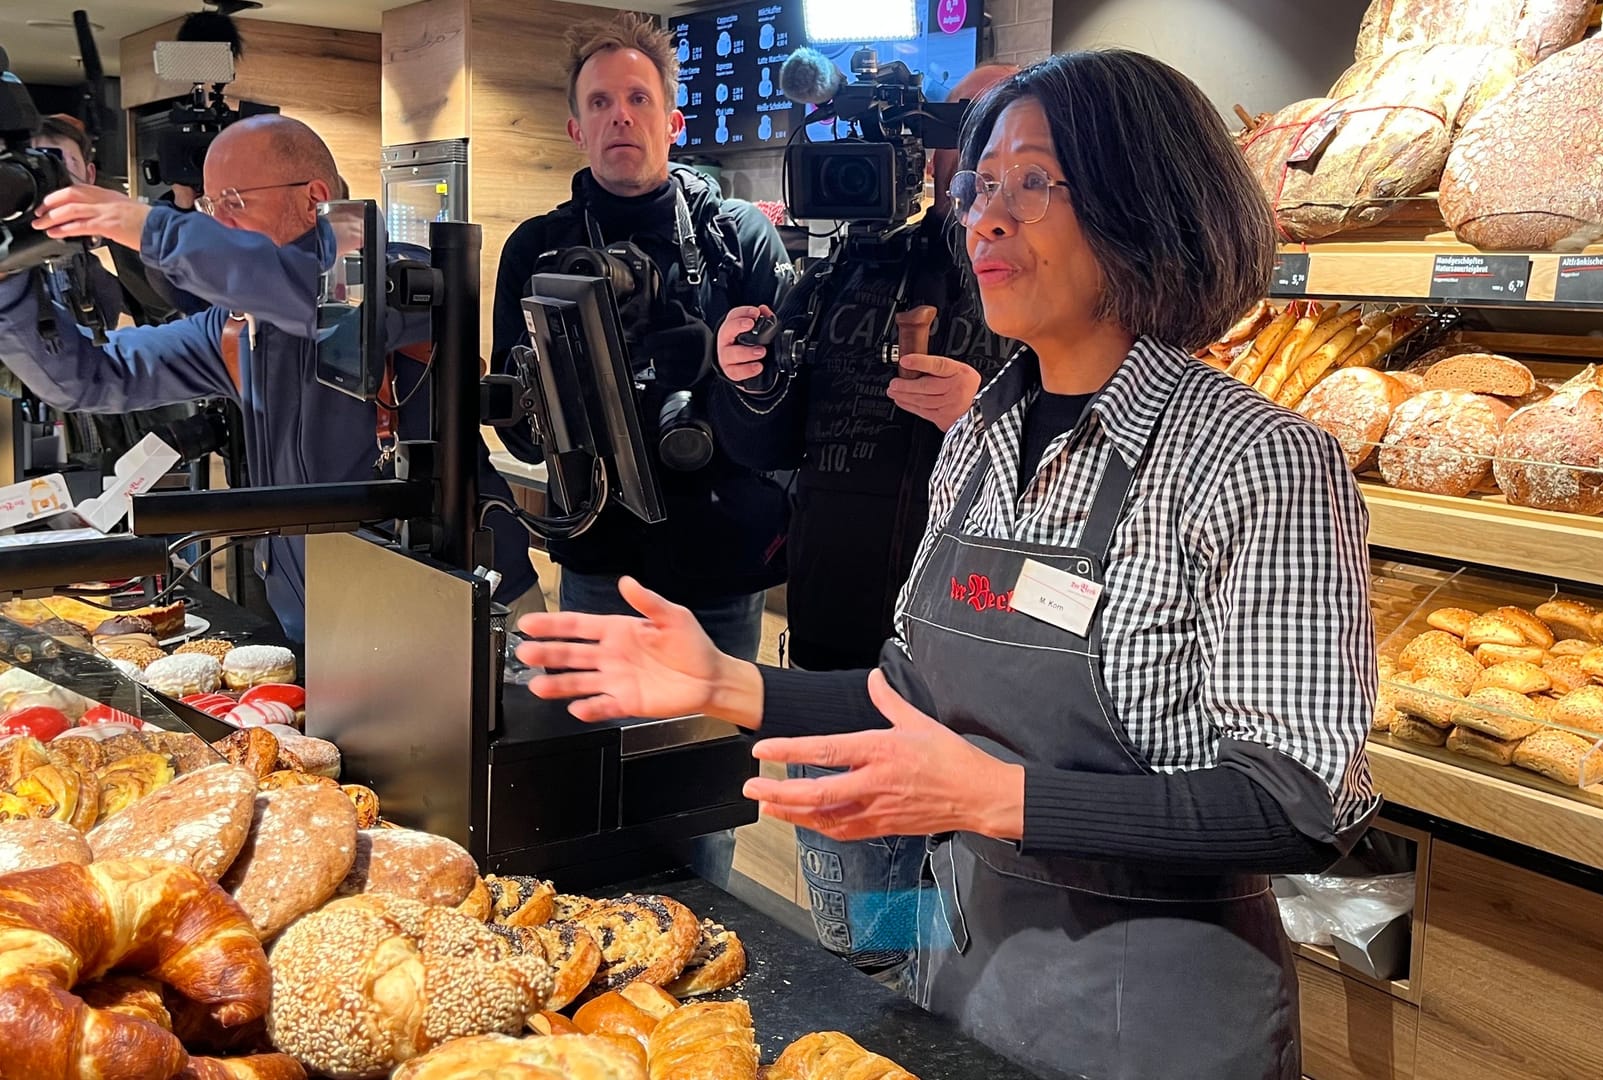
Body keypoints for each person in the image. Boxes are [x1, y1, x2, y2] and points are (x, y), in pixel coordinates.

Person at [518, 50, 1378, 1080]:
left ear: (1148, 202)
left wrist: (996, 797)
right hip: (965, 986)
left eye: (1032, 181)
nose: (983, 217)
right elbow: (910, 696)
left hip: (1158, 1026)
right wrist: (727, 682)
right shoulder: (979, 440)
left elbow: (1297, 802)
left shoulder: (1258, 459)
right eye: (979, 185)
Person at [710, 63, 1018, 986]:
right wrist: (747, 381)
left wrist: (984, 415)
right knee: (866, 941)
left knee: (974, 944)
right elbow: (768, 441)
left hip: (994, 683)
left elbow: (1106, 450)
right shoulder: (858, 258)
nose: (968, 154)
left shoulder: (1068, 285)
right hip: (842, 649)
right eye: (959, 128)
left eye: (998, 131)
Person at [5, 115, 543, 637]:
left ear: (313, 197)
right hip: (323, 625)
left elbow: (317, 306)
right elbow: (88, 378)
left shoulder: (405, 276)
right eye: (211, 206)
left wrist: (147, 226)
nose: (218, 224)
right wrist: (11, 274)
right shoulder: (242, 323)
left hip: (465, 615)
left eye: (233, 202)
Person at [492, 11, 792, 662]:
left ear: (672, 122)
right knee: (600, 752)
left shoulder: (738, 237)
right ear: (577, 129)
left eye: (638, 99)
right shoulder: (539, 250)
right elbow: (516, 430)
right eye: (600, 102)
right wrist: (559, 387)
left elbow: (790, 405)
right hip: (601, 556)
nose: (620, 116)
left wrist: (714, 365)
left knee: (719, 749)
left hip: (723, 554)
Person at [30, 115, 125, 329]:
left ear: (89, 174)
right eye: (36, 164)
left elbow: (158, 309)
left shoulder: (117, 241)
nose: (49, 177)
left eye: (59, 163)